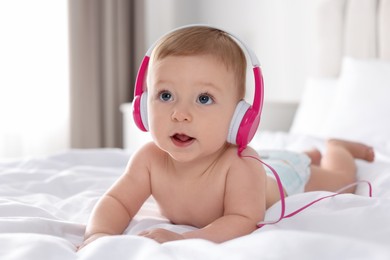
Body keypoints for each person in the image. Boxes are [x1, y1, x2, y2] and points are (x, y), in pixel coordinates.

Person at [78, 26, 375, 249]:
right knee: (281, 157)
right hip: (267, 165)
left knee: (339, 179)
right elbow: (117, 201)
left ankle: (335, 147)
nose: (180, 114)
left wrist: (187, 239)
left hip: (282, 177)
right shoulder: (148, 160)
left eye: (204, 99)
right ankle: (307, 152)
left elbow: (242, 220)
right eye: (165, 95)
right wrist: (98, 235)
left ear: (238, 118)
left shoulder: (241, 165)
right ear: (144, 104)